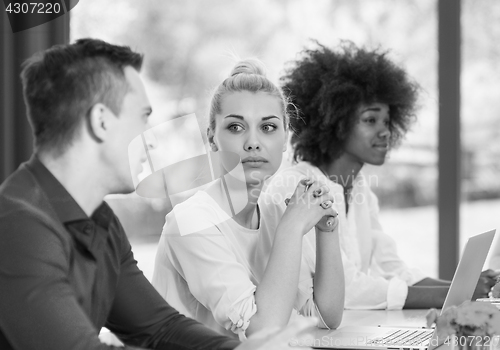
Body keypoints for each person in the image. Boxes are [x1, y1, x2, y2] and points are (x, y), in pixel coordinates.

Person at [0, 38, 318, 350]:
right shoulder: (18, 225)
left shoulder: (101, 222)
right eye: (142, 117)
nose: (150, 141)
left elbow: (158, 327)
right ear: (100, 122)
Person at [265, 41, 498, 310]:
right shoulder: (298, 187)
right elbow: (347, 289)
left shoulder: (361, 189)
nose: (385, 131)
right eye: (370, 120)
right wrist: (450, 296)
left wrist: (462, 287)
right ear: (333, 121)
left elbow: (392, 268)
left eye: (387, 121)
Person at [152, 59, 345, 339]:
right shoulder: (190, 222)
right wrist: (291, 228)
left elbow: (326, 317)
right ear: (212, 139)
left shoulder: (273, 211)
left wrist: (327, 228)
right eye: (235, 127)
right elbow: (262, 330)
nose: (253, 142)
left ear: (285, 138)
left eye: (267, 128)